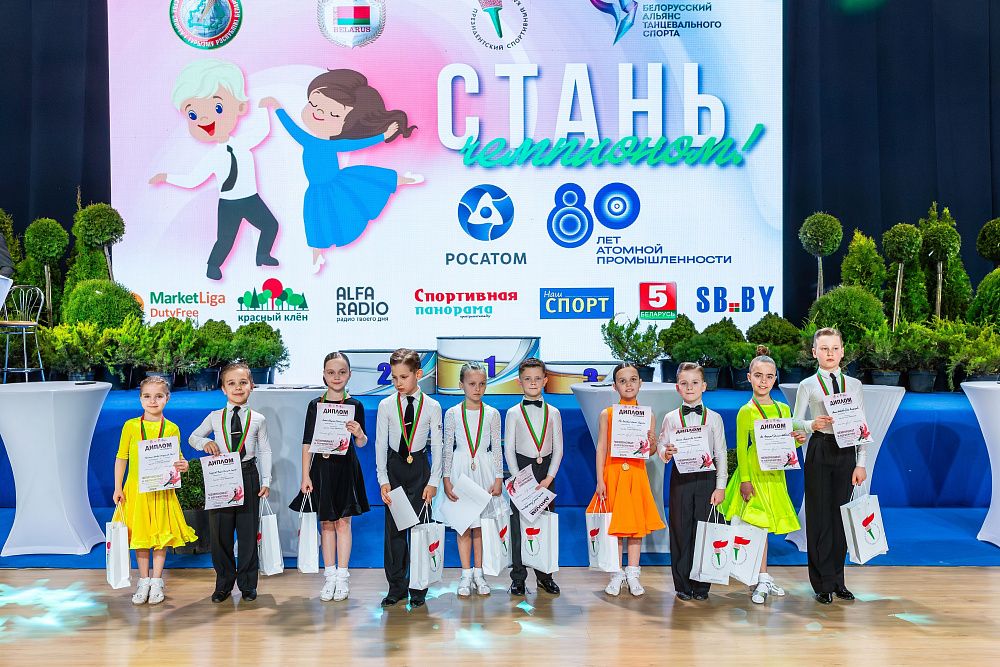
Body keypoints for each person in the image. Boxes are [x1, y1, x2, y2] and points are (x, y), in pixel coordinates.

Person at [260, 69, 421, 274]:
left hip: (337, 183)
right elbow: (291, 127)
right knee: (315, 221)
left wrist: (383, 136)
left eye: (334, 114)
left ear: (347, 123)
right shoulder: (307, 140)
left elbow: (359, 143)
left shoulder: (335, 144)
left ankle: (404, 179)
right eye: (314, 104)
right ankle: (316, 255)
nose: (318, 113)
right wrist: (276, 107)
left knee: (370, 178)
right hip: (316, 190)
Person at [151, 58, 280, 281]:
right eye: (193, 115)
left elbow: (263, 130)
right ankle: (213, 266)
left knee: (270, 225)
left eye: (217, 108)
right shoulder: (212, 157)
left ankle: (262, 255)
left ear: (240, 107)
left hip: (251, 199)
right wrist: (166, 177)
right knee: (225, 239)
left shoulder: (242, 144)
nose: (204, 118)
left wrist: (263, 107)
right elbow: (193, 179)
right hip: (229, 203)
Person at [720, 347, 807, 604]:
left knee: (765, 527)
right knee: (755, 527)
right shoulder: (746, 411)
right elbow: (742, 448)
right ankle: (760, 577)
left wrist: (798, 440)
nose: (763, 381)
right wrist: (745, 481)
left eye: (769, 376)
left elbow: (787, 444)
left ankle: (762, 577)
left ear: (775, 378)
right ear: (749, 377)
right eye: (758, 376)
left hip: (775, 477)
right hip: (754, 476)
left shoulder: (783, 409)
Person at [793, 327, 868, 605]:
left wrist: (861, 462)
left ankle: (838, 580)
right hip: (820, 448)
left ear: (842, 351)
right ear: (815, 352)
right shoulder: (808, 385)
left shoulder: (854, 385)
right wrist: (811, 424)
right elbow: (795, 421)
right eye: (824, 348)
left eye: (835, 348)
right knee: (819, 517)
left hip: (846, 451)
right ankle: (821, 583)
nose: (830, 353)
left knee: (840, 518)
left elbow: (862, 425)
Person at [288, 352, 369, 602]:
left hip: (346, 468)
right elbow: (306, 442)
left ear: (349, 375)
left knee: (343, 522)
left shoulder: (355, 405)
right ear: (323, 374)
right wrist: (305, 475)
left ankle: (343, 577)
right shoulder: (315, 405)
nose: (336, 377)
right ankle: (329, 576)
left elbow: (362, 443)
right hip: (321, 469)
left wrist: (359, 433)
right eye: (331, 372)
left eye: (342, 372)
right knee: (326, 523)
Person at [189, 362, 272, 603]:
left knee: (248, 534)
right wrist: (205, 443)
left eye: (243, 383)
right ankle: (223, 583)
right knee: (220, 534)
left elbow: (265, 450)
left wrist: (266, 480)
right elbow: (193, 437)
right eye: (231, 383)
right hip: (221, 476)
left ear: (251, 386)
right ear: (223, 389)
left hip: (248, 475)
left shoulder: (258, 419)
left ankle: (248, 584)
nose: (237, 388)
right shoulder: (215, 417)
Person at [112, 376, 196, 605]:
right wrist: (118, 487)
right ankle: (143, 580)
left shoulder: (171, 428)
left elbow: (177, 457)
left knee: (160, 534)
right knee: (141, 536)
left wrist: (184, 465)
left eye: (158, 396)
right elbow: (121, 457)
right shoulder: (131, 426)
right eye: (147, 396)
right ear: (140, 399)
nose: (153, 401)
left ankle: (157, 581)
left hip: (161, 491)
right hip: (137, 492)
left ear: (167, 398)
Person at [586, 363, 665, 597]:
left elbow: (649, 452)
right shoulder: (607, 414)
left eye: (633, 380)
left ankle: (633, 574)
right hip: (613, 474)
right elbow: (601, 447)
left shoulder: (648, 415)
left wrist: (652, 442)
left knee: (635, 527)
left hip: (636, 475)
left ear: (641, 383)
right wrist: (600, 480)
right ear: (615, 386)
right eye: (622, 381)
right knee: (615, 526)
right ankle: (616, 573)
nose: (628, 384)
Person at [376, 348, 443, 608]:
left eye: (403, 377)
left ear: (419, 374)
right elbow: (380, 444)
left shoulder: (432, 406)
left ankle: (418, 587)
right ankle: (396, 586)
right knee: (395, 531)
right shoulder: (386, 405)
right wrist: (383, 479)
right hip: (394, 470)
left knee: (420, 531)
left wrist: (433, 482)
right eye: (394, 378)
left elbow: (437, 446)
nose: (398, 383)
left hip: (420, 472)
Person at [659, 362, 728, 601]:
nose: (690, 387)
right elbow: (662, 445)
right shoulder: (671, 418)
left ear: (704, 386)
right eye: (684, 383)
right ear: (677, 388)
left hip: (707, 480)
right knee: (680, 529)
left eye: (695, 383)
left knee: (705, 530)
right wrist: (665, 452)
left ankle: (701, 585)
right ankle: (682, 584)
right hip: (680, 479)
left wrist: (720, 487)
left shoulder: (715, 418)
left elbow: (721, 454)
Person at [436, 362, 506, 597]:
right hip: (460, 470)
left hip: (484, 469)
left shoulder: (492, 414)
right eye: (472, 384)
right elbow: (447, 447)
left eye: (482, 384)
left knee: (481, 526)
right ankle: (465, 574)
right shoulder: (453, 413)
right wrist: (446, 478)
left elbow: (497, 448)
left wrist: (499, 477)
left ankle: (479, 573)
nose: (477, 388)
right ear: (461, 385)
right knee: (463, 524)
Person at [504, 357, 563, 596]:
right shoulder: (513, 413)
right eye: (527, 379)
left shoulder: (554, 412)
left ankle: (544, 575)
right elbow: (509, 448)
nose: (533, 382)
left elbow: (558, 448)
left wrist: (549, 477)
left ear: (545, 381)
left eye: (538, 378)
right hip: (521, 472)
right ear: (519, 382)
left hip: (545, 474)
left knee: (544, 524)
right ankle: (518, 577)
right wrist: (518, 478)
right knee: (518, 526)